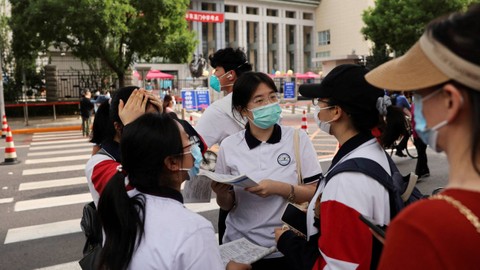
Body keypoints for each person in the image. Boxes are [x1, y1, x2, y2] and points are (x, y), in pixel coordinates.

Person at [365, 4, 480, 269]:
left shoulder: (423, 229)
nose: (414, 105)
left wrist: (403, 249)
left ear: (451, 101)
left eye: (418, 94)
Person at [275, 64, 408, 269]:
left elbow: (339, 266)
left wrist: (287, 241)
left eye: (320, 102)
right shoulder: (370, 151)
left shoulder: (347, 180)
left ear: (336, 112)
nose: (317, 108)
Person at [97, 113, 251, 270]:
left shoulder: (119, 207)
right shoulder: (194, 229)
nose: (196, 148)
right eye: (189, 142)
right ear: (172, 162)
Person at [212, 72, 323, 269]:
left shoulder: (297, 139)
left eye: (272, 97)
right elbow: (227, 205)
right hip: (241, 250)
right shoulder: (229, 146)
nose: (269, 104)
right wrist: (222, 194)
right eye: (259, 100)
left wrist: (279, 188)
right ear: (243, 110)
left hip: (286, 244)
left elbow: (316, 192)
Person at [195, 47, 253, 244]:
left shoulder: (218, 110)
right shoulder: (262, 102)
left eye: (217, 70)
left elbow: (195, 147)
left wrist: (209, 168)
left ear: (231, 74)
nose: (214, 76)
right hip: (270, 192)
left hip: (234, 198)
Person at [85, 86, 163, 206]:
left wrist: (165, 122)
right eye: (144, 123)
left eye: (155, 122)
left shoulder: (151, 149)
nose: (153, 129)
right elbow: (136, 190)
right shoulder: (99, 164)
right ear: (119, 126)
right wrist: (132, 132)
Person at [411, 103, 430, 179]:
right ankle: (425, 170)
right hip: (417, 132)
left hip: (421, 132)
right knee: (421, 151)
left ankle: (418, 173)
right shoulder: (415, 104)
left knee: (421, 152)